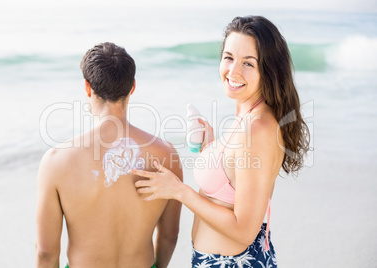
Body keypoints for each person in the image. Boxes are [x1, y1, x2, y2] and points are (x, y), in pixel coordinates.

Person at [132, 16, 310, 267]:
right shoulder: (248, 117)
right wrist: (213, 148)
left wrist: (179, 191)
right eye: (228, 57)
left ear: (268, 70)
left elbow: (244, 230)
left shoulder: (256, 129)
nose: (233, 71)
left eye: (248, 63)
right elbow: (233, 184)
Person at [35, 42, 183, 268]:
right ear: (132, 87)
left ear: (87, 87)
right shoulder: (166, 154)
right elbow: (169, 236)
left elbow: (46, 252)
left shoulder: (56, 161)